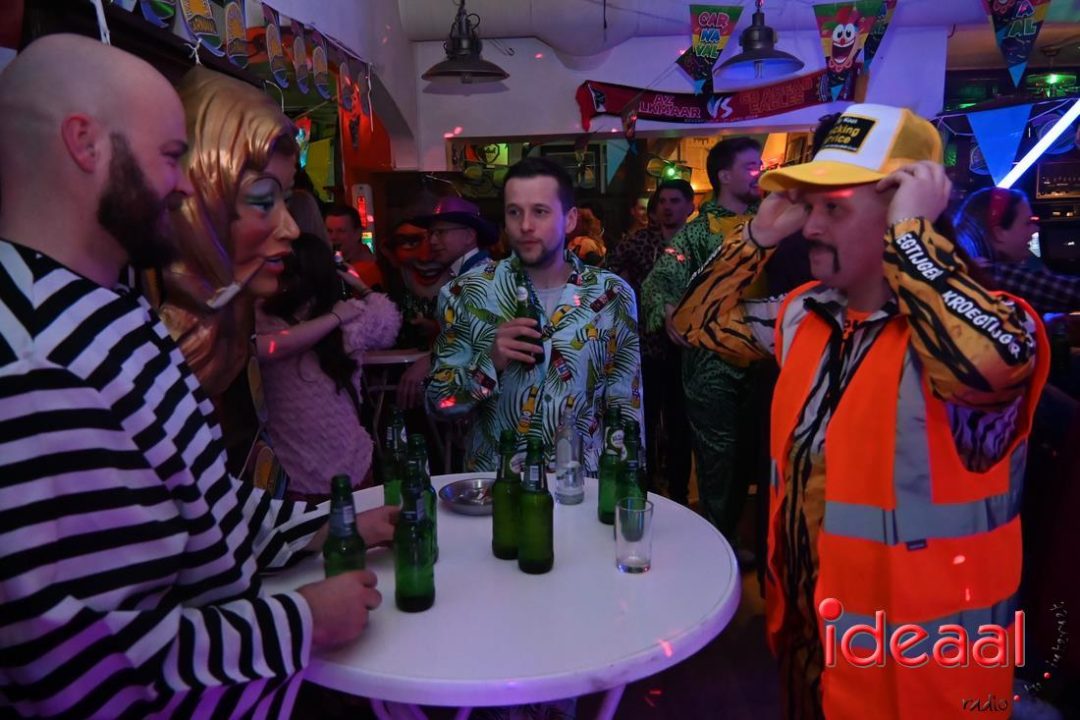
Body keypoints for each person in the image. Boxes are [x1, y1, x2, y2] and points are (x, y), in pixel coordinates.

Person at [0, 34, 396, 718]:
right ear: (84, 144)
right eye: (168, 156)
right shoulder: (41, 360)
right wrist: (301, 621)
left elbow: (198, 502)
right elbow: (74, 663)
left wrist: (323, 527)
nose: (185, 185)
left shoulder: (110, 306)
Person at [673, 103, 1049, 719]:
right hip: (810, 652)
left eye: (835, 208)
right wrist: (756, 238)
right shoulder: (805, 316)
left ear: (903, 209)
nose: (811, 228)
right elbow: (692, 324)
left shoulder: (996, 330)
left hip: (922, 677)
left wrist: (913, 240)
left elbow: (988, 365)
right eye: (810, 207)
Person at [426, 157, 643, 471]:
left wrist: (624, 487)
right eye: (515, 212)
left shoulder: (610, 294)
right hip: (499, 486)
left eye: (540, 211)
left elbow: (626, 405)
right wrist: (489, 363)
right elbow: (441, 404)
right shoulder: (464, 293)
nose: (525, 225)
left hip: (581, 485)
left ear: (569, 220)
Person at [641, 136, 761, 542]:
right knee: (718, 459)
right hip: (712, 365)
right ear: (724, 176)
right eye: (751, 166)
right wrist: (668, 308)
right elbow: (659, 280)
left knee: (759, 454)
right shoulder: (695, 235)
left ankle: (753, 544)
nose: (759, 173)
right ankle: (719, 544)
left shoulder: (772, 223)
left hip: (768, 360)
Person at [256, 233, 401, 501]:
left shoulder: (263, 318)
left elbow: (388, 324)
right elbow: (272, 347)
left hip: (328, 467)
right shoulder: (341, 317)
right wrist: (354, 292)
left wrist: (348, 303)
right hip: (313, 470)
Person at [607, 179, 695, 500]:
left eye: (675, 201)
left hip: (687, 347)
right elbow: (610, 275)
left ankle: (679, 491)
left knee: (680, 423)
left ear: (690, 207)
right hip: (645, 346)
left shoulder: (697, 242)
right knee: (643, 420)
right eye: (663, 201)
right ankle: (644, 487)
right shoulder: (639, 241)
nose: (667, 207)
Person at [954, 186, 1080, 315]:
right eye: (1028, 223)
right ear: (999, 233)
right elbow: (1073, 292)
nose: (1036, 229)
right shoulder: (995, 275)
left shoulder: (967, 268)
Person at [326, 204, 384, 291]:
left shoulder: (367, 269)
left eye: (341, 231)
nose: (333, 237)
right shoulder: (331, 262)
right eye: (329, 231)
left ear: (357, 234)